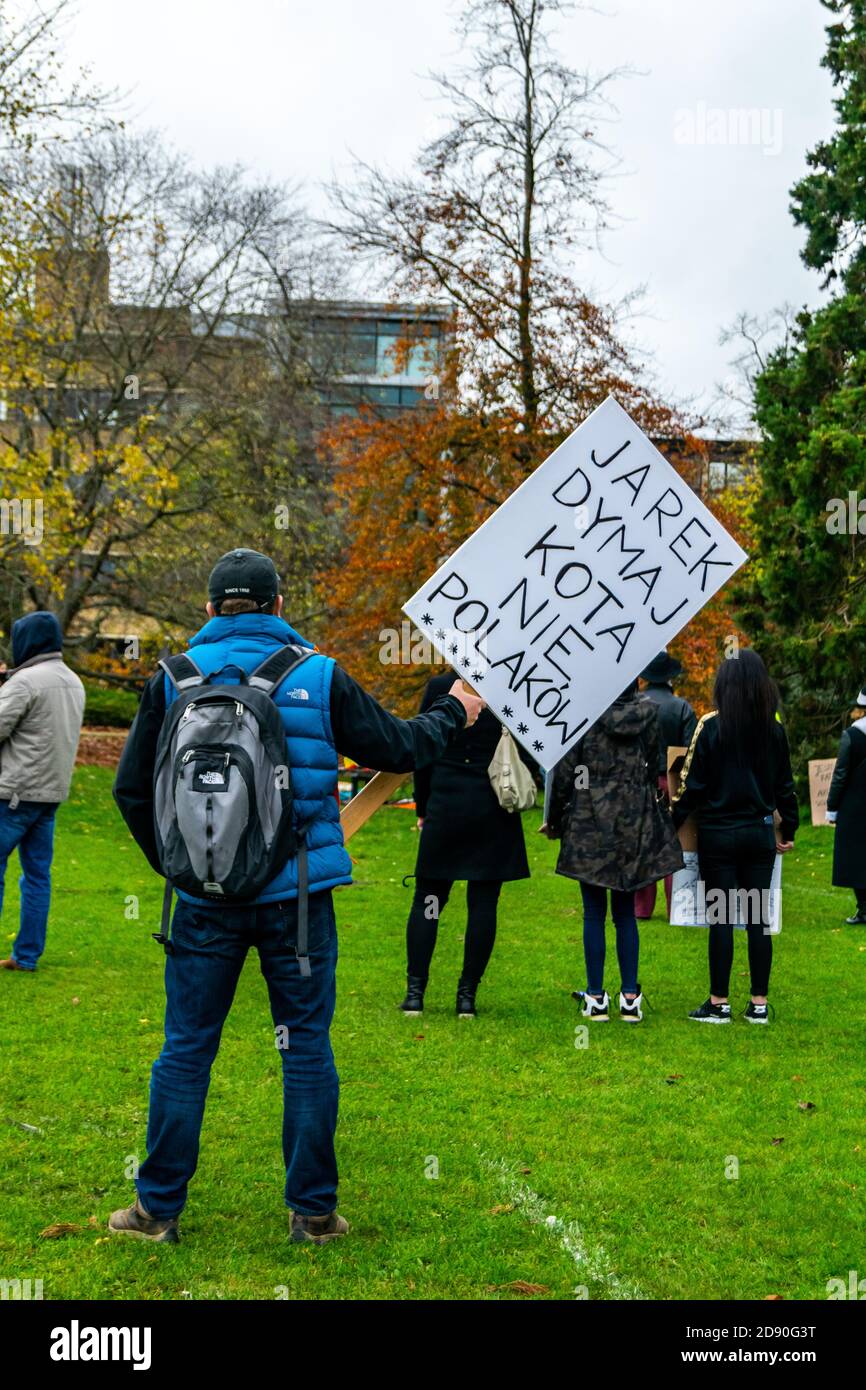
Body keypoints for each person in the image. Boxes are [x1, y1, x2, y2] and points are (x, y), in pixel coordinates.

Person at [110, 549, 483, 1246]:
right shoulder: (318, 674)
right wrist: (452, 712)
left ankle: (155, 1210)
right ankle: (313, 1212)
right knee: (305, 1048)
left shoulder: (171, 679)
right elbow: (399, 749)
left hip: (204, 903)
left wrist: (185, 864)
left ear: (211, 608)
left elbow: (131, 791)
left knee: (187, 1049)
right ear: (280, 606)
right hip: (300, 902)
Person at [401, 668, 539, 1019]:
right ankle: (467, 997)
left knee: (429, 901)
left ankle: (415, 993)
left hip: (445, 803)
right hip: (491, 805)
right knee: (483, 904)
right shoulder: (509, 688)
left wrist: (422, 806)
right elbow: (530, 749)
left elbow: (423, 747)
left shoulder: (439, 687)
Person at [671, 650, 798, 1024]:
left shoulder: (710, 727)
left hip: (719, 836)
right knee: (758, 920)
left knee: (722, 919)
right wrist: (787, 828)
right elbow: (785, 787)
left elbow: (691, 786)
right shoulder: (774, 730)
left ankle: (719, 1002)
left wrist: (671, 823)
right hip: (759, 835)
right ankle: (759, 1005)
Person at [545, 680, 683, 1022]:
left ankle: (595, 997)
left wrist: (554, 819)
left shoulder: (582, 714)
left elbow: (566, 773)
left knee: (594, 912)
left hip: (588, 819)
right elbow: (655, 767)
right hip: (632, 820)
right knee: (624, 912)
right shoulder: (649, 715)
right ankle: (630, 996)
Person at [0, 612, 85, 974]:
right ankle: (27, 955)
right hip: (49, 796)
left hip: (12, 794)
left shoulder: (24, 683)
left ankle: (25, 956)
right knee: (37, 877)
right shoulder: (73, 681)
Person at [634, 650, 697, 921]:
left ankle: (641, 908)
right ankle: (677, 906)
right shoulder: (682, 707)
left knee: (644, 843)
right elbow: (690, 752)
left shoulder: (633, 704)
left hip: (639, 780)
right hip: (671, 779)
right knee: (674, 845)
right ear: (670, 677)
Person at [826, 683, 866, 923]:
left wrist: (832, 807)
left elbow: (840, 774)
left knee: (856, 858)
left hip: (855, 807)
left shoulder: (851, 735)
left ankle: (863, 907)